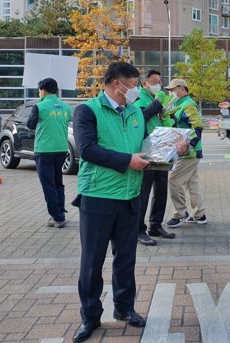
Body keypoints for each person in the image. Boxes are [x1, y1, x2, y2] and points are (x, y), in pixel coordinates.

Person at [71, 62, 185, 343]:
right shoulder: (88, 110)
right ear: (116, 84)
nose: (137, 91)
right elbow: (87, 150)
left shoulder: (135, 113)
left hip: (130, 197)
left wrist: (174, 148)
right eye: (134, 85)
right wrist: (127, 161)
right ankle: (90, 316)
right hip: (98, 197)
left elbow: (146, 146)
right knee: (92, 261)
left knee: (126, 259)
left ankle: (125, 308)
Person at [135, 70, 177, 246]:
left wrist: (168, 114)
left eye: (159, 82)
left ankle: (156, 225)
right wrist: (158, 102)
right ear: (144, 83)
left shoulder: (157, 99)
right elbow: (142, 117)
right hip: (146, 151)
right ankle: (138, 230)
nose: (158, 85)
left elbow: (164, 119)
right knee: (143, 193)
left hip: (162, 151)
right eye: (154, 82)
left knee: (161, 190)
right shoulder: (139, 100)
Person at [26, 78, 72, 228]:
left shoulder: (39, 106)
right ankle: (61, 213)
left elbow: (30, 125)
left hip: (44, 150)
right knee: (58, 182)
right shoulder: (66, 107)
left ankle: (57, 217)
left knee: (48, 185)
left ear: (43, 90)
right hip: (61, 149)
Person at [165, 78, 207, 227]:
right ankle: (199, 214)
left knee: (174, 180)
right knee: (192, 183)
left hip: (189, 152)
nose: (171, 92)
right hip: (189, 151)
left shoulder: (188, 105)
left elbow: (198, 127)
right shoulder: (178, 105)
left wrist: (190, 144)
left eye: (173, 89)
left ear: (183, 89)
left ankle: (181, 213)